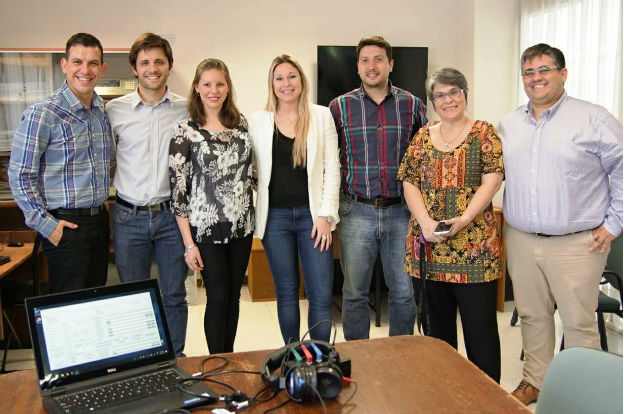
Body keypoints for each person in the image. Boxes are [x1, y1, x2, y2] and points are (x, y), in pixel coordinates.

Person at [498, 43, 622, 405]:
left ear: (563, 74)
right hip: (521, 239)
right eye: (529, 72)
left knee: (578, 322)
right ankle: (535, 381)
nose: (536, 78)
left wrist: (614, 223)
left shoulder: (594, 119)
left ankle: (585, 395)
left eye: (544, 70)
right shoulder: (509, 124)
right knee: (533, 316)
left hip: (578, 243)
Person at [397, 67, 504, 382]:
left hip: (475, 250)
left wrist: (464, 219)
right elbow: (408, 180)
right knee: (436, 336)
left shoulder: (484, 132)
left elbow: (493, 179)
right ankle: (442, 395)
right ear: (432, 101)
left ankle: (486, 399)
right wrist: (425, 222)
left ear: (464, 94)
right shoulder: (423, 135)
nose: (448, 100)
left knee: (480, 331)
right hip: (429, 250)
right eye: (440, 95)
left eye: (454, 92)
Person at [329, 35, 426, 340]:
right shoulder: (339, 107)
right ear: (357, 67)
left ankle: (401, 356)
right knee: (354, 292)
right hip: (356, 210)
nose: (372, 66)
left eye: (379, 59)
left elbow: (424, 156)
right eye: (365, 60)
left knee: (403, 292)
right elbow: (329, 160)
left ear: (390, 64)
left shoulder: (412, 105)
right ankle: (359, 358)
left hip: (401, 212)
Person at [106, 33, 189, 356]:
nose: (152, 68)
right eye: (144, 62)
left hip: (171, 217)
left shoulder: (186, 109)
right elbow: (107, 158)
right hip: (129, 217)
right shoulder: (114, 110)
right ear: (134, 68)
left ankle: (175, 359)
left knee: (174, 295)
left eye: (158, 61)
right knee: (134, 297)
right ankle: (140, 359)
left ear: (169, 66)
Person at [8, 33, 111, 293]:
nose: (85, 70)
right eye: (77, 62)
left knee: (96, 299)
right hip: (65, 225)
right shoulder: (42, 113)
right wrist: (46, 224)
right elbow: (20, 175)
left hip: (99, 222)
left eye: (93, 63)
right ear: (64, 65)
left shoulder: (100, 111)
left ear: (102, 69)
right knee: (68, 306)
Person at [249, 55, 340, 344]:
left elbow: (332, 168)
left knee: (320, 294)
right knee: (287, 293)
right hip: (274, 220)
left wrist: (326, 216)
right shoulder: (258, 121)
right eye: (279, 78)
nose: (286, 83)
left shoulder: (321, 115)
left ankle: (320, 356)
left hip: (313, 218)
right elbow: (251, 170)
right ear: (272, 84)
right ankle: (293, 354)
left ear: (301, 80)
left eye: (292, 76)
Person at [169, 59, 254, 354]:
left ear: (228, 87)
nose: (213, 90)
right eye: (206, 84)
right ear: (196, 87)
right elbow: (178, 192)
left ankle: (229, 357)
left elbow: (251, 172)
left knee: (233, 298)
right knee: (217, 299)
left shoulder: (241, 124)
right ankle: (218, 363)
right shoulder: (185, 130)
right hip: (206, 231)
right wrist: (188, 245)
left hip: (242, 228)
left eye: (219, 84)